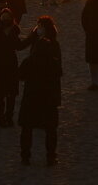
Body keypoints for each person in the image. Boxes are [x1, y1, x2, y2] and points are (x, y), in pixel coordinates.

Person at [17, 15, 63, 166]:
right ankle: (51, 157)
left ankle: (25, 157)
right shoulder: (53, 62)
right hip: (48, 99)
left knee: (27, 129)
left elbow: (20, 75)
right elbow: (58, 75)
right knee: (50, 130)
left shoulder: (29, 61)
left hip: (31, 98)